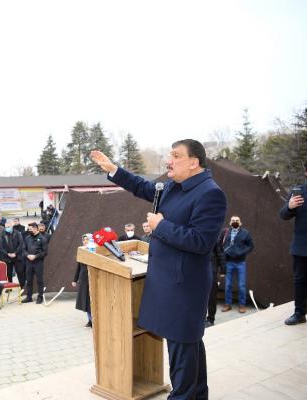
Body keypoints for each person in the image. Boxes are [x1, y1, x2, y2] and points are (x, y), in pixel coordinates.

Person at [91, 139, 227, 400]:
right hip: (169, 281)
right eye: (169, 155)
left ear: (194, 162)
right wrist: (113, 169)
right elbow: (143, 187)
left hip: (185, 285)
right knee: (187, 345)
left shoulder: (210, 193)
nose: (168, 161)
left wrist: (160, 225)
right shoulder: (174, 186)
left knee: (182, 349)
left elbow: (201, 242)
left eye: (175, 156)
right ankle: (197, 394)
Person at [279, 161, 307, 325]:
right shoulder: (298, 191)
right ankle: (299, 314)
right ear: (306, 175)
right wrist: (290, 206)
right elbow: (283, 215)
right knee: (300, 280)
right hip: (302, 245)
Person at [219, 215, 254, 314]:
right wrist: (225, 253)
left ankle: (242, 305)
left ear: (240, 222)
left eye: (237, 220)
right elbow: (220, 244)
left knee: (241, 285)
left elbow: (251, 246)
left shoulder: (245, 233)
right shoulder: (225, 232)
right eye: (233, 220)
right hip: (228, 262)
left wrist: (242, 252)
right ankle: (228, 304)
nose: (235, 221)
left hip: (240, 263)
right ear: (230, 222)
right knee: (228, 285)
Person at [22, 222, 48, 304]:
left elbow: (45, 252)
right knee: (29, 280)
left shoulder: (42, 239)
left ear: (35, 228)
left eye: (30, 229)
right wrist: (27, 255)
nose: (29, 230)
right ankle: (29, 297)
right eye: (28, 229)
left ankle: (40, 297)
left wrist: (36, 256)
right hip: (29, 262)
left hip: (38, 262)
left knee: (39, 280)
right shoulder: (27, 238)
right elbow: (23, 249)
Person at [72, 235, 92, 327]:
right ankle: (90, 320)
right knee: (86, 301)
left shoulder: (94, 251)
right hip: (83, 280)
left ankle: (94, 320)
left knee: (91, 301)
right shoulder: (81, 251)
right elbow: (79, 267)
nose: (85, 241)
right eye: (84, 240)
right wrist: (75, 280)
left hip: (92, 279)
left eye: (87, 239)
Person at [205, 240, 225, 327]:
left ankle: (211, 319)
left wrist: (223, 271)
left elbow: (221, 254)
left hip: (211, 270)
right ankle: (201, 318)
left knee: (212, 296)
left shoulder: (215, 238)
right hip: (199, 270)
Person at [0, 220, 24, 286]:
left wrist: (15, 253)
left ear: (11, 226)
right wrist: (7, 254)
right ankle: (10, 286)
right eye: (6, 227)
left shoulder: (17, 233)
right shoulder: (3, 234)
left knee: (20, 272)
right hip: (7, 257)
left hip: (17, 256)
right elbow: (1, 246)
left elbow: (21, 244)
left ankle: (22, 286)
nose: (7, 228)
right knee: (9, 273)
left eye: (8, 227)